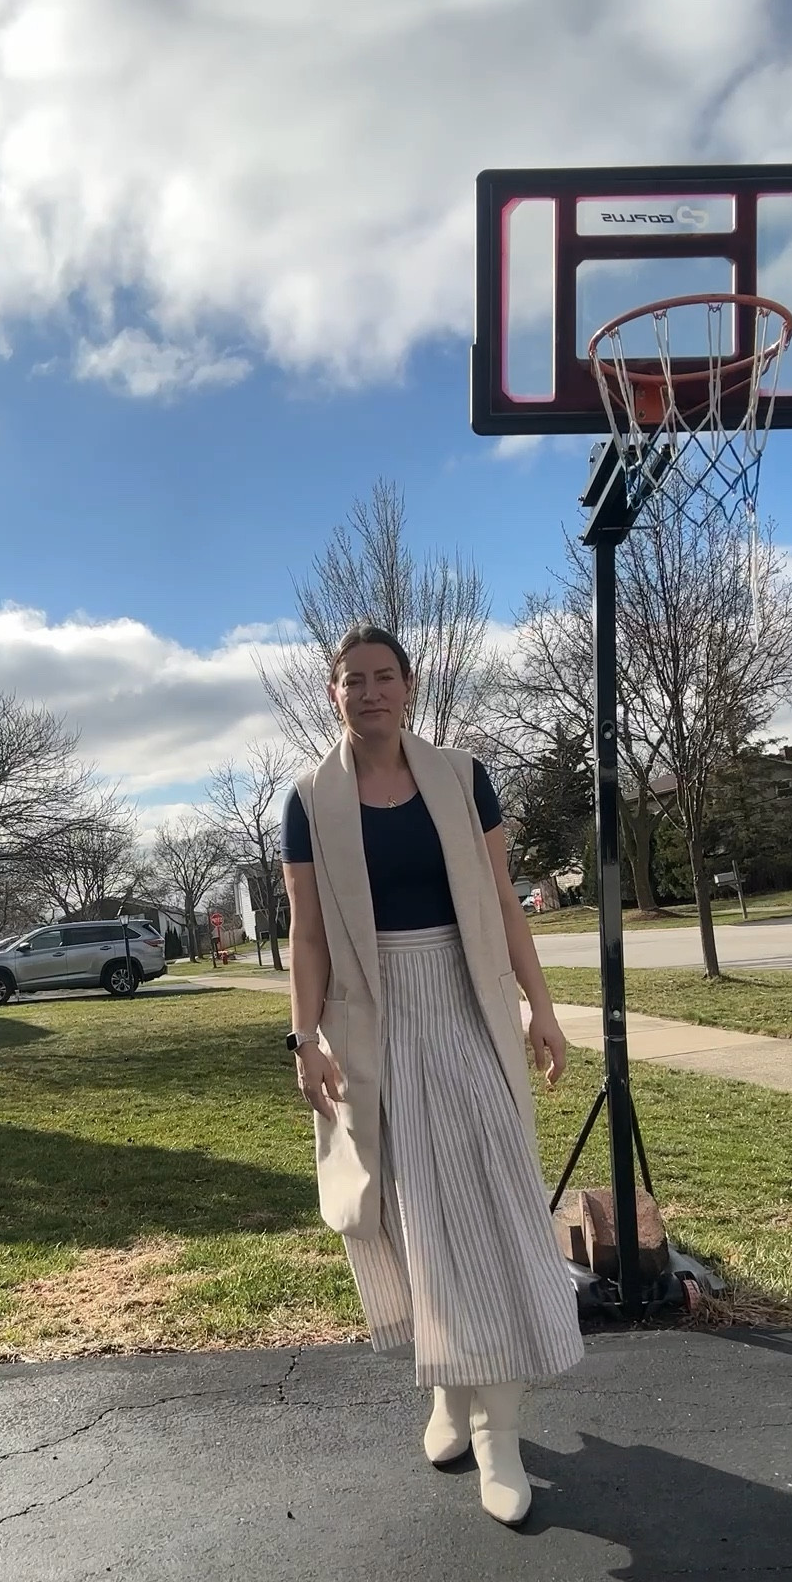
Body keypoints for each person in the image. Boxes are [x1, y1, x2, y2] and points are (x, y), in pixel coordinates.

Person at [281, 624, 583, 1526]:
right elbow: (307, 934)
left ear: (409, 686)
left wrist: (542, 1006)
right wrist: (304, 1040)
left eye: (384, 677)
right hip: (369, 1024)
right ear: (332, 693)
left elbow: (502, 900)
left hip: (465, 1003)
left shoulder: (462, 775)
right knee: (409, 1215)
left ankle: (499, 1430)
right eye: (352, 681)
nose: (369, 692)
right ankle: (449, 1390)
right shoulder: (308, 799)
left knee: (488, 1205)